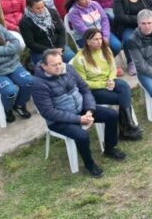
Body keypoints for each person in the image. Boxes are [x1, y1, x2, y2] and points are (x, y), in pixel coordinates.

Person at [33, 48, 125, 178]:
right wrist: (79, 119)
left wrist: (89, 110)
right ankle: (89, 165)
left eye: (60, 63)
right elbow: (49, 112)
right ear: (44, 66)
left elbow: (85, 89)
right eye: (54, 65)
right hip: (58, 120)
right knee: (82, 136)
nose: (59, 67)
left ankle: (110, 149)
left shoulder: (69, 69)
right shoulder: (38, 84)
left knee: (111, 115)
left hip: (81, 108)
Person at [71, 28, 141, 141]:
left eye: (100, 38)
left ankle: (127, 127)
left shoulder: (106, 50)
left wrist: (111, 80)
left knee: (124, 86)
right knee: (121, 97)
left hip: (109, 81)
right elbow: (83, 83)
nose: (99, 42)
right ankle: (128, 127)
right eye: (95, 39)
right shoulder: (80, 59)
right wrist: (104, 84)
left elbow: (113, 68)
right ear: (88, 41)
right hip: (93, 90)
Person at [19, 0, 73, 65]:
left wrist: (60, 47)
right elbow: (30, 43)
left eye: (43, 6)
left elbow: (61, 31)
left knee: (71, 59)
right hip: (40, 51)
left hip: (58, 46)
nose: (41, 10)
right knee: (51, 65)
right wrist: (50, 50)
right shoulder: (25, 22)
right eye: (38, 8)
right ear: (29, 8)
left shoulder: (52, 13)